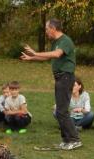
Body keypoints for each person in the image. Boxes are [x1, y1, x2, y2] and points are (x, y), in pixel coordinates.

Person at [21, 19, 82, 150]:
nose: (46, 31)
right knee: (60, 111)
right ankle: (66, 140)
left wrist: (35, 52)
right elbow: (49, 57)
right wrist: (32, 58)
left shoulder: (65, 40)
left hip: (65, 77)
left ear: (53, 28)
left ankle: (74, 139)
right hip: (60, 78)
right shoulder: (56, 42)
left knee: (62, 111)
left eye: (47, 29)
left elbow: (56, 54)